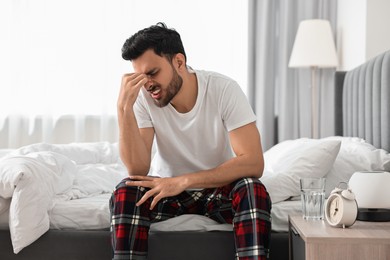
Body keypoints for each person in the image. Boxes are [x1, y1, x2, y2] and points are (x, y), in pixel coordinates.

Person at [110, 22, 271, 260]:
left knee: (252, 188)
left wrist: (183, 181)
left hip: (217, 190)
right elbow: (138, 169)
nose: (148, 84)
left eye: (153, 73)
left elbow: (254, 162)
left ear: (179, 62)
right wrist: (123, 108)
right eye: (141, 77)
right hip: (166, 192)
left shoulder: (223, 89)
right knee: (126, 190)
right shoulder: (144, 98)